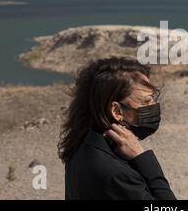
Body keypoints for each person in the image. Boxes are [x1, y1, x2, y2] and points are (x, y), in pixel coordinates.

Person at [58, 56, 176, 200]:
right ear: (117, 111)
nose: (153, 105)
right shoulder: (116, 173)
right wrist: (142, 157)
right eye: (146, 101)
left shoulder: (82, 141)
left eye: (152, 98)